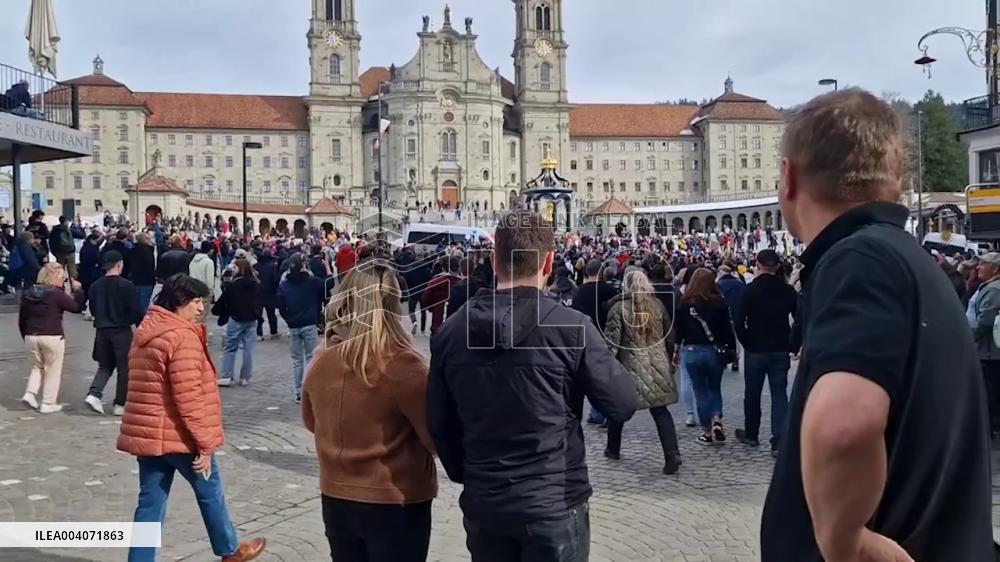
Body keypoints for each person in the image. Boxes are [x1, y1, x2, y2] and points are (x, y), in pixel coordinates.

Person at [761, 89, 993, 562]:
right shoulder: (909, 261)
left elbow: (843, 426)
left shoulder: (860, 259)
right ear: (895, 182)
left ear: (788, 177)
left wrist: (846, 542)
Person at [428, 211, 638, 562]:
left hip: (487, 499)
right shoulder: (572, 328)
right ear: (548, 262)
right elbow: (622, 403)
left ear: (493, 259)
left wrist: (469, 472)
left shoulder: (451, 330)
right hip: (552, 499)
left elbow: (438, 422)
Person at [117, 274, 267, 562]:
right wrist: (205, 444)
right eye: (196, 301)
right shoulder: (181, 336)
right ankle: (230, 551)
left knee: (150, 503)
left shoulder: (147, 331)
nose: (201, 308)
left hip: (150, 435)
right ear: (179, 301)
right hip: (181, 436)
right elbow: (189, 398)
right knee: (210, 491)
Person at [302, 261, 436, 562]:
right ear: (393, 304)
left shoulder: (322, 359)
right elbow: (434, 438)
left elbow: (311, 421)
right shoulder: (403, 365)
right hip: (394, 497)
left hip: (336, 494)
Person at [603, 269, 681, 475]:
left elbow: (612, 343)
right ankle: (672, 453)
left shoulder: (618, 308)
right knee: (661, 411)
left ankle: (613, 448)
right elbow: (670, 335)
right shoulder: (657, 305)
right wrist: (669, 358)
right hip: (658, 363)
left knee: (619, 407)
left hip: (629, 365)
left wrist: (606, 367)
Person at [732, 249, 798, 457]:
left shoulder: (750, 290)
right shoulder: (788, 291)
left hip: (756, 348)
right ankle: (779, 440)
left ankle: (751, 433)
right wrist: (794, 344)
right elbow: (801, 318)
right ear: (777, 266)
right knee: (779, 394)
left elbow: (738, 320)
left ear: (758, 265)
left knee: (752, 393)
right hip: (780, 347)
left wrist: (746, 341)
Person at [673, 268, 736, 445]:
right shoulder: (720, 303)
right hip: (714, 351)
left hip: (692, 350)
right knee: (714, 388)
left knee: (700, 391)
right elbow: (727, 329)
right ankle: (716, 419)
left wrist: (675, 350)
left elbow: (679, 331)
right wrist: (732, 350)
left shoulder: (685, 303)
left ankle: (707, 432)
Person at [18, 263, 86, 413]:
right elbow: (76, 307)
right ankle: (48, 403)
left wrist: (26, 335)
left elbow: (22, 318)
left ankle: (30, 393)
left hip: (31, 335)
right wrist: (78, 291)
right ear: (54, 277)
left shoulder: (28, 293)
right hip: (52, 334)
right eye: (62, 278)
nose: (63, 281)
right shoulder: (55, 294)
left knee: (37, 367)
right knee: (53, 369)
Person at [84, 251, 141, 417]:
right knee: (124, 369)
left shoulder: (95, 286)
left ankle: (94, 394)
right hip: (121, 331)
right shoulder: (127, 285)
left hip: (101, 330)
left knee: (105, 365)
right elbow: (135, 310)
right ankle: (119, 403)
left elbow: (93, 309)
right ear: (119, 264)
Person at [278, 253, 324, 403]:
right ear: (303, 266)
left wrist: (288, 319)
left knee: (297, 360)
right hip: (309, 323)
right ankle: (308, 390)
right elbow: (327, 284)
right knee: (311, 357)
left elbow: (281, 306)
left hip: (294, 325)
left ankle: (299, 392)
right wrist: (328, 269)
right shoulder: (310, 281)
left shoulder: (284, 284)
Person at [213, 259, 262, 387]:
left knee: (230, 348)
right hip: (251, 319)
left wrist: (218, 311)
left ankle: (227, 376)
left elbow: (224, 301)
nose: (232, 269)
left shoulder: (233, 285)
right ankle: (245, 377)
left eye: (234, 267)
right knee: (248, 349)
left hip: (236, 318)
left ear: (240, 269)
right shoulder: (255, 284)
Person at [971, 251, 1000, 436]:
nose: (978, 267)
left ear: (995, 269)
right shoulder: (989, 286)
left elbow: (986, 321)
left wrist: (970, 338)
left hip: (988, 350)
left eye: (983, 264)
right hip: (986, 349)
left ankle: (987, 427)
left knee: (988, 390)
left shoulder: (994, 289)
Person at [422, 255, 461, 335]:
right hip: (456, 323)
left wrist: (431, 308)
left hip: (438, 319)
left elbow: (426, 296)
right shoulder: (461, 283)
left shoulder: (436, 280)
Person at [255, 250, 280, 341]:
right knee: (271, 314)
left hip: (258, 293)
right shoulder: (273, 266)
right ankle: (273, 332)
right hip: (270, 293)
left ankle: (259, 333)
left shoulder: (256, 266)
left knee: (258, 314)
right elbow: (276, 279)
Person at [130, 232, 157, 316]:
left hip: (136, 279)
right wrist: (153, 277)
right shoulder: (147, 251)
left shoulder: (133, 250)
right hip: (146, 281)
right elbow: (149, 266)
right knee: (144, 303)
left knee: (138, 303)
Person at [48, 216, 77, 284]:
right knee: (72, 272)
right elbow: (81, 235)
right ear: (66, 221)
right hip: (70, 253)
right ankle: (74, 286)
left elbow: (51, 242)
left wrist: (54, 253)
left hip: (59, 253)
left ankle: (60, 286)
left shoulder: (55, 231)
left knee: (60, 271)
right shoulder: (69, 230)